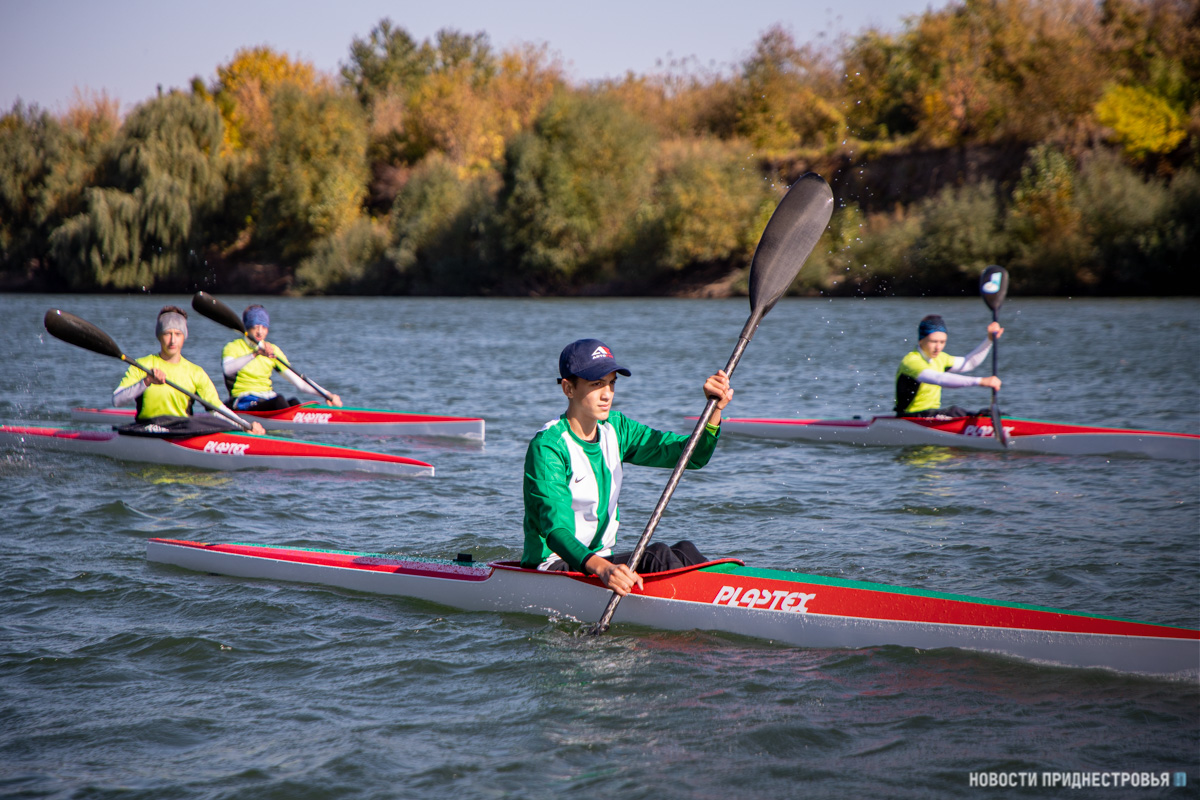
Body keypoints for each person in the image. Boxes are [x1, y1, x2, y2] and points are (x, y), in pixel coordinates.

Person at [522, 338, 734, 597]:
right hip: (554, 566)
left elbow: (691, 456)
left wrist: (713, 410)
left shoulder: (617, 428)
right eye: (596, 384)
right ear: (568, 388)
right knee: (658, 557)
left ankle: (740, 590)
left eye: (611, 383)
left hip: (600, 563)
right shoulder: (549, 447)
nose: (607, 394)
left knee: (684, 551)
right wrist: (603, 569)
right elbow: (556, 531)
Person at [112, 305, 265, 435]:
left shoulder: (195, 372)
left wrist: (245, 426)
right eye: (167, 334)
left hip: (181, 428)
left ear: (184, 336)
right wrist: (147, 381)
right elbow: (117, 400)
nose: (172, 340)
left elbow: (216, 408)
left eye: (177, 334)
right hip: (148, 427)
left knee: (213, 422)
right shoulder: (142, 365)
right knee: (192, 424)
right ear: (159, 336)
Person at [221, 304, 342, 412]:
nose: (260, 332)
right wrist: (255, 354)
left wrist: (327, 395)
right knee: (279, 400)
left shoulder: (272, 350)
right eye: (255, 326)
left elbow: (299, 382)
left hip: (266, 397)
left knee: (294, 402)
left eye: (264, 327)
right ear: (247, 327)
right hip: (244, 400)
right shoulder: (233, 347)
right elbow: (228, 369)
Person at [894, 314, 1003, 417]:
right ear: (921, 340)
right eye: (933, 341)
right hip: (912, 417)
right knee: (955, 412)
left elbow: (968, 363)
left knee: (986, 414)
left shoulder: (940, 358)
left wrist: (989, 340)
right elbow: (939, 379)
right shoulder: (911, 361)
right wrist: (980, 381)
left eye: (942, 342)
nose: (938, 347)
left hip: (931, 415)